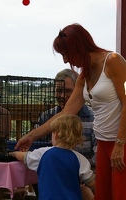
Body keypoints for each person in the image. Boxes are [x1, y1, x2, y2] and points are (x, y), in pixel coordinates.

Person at [14, 23, 126, 200]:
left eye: (66, 54)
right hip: (103, 142)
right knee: (103, 195)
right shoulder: (84, 75)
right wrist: (31, 136)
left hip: (120, 142)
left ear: (77, 47)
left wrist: (120, 144)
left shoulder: (112, 60)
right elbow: (65, 113)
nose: (66, 60)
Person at [10, 114, 96, 200]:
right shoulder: (80, 159)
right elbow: (92, 182)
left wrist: (14, 153)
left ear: (56, 135)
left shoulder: (43, 153)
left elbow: (24, 156)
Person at [36, 68, 96, 166]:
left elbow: (97, 158)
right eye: (59, 91)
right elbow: (37, 150)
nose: (62, 95)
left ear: (78, 91)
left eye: (68, 91)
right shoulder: (47, 116)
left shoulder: (93, 118)